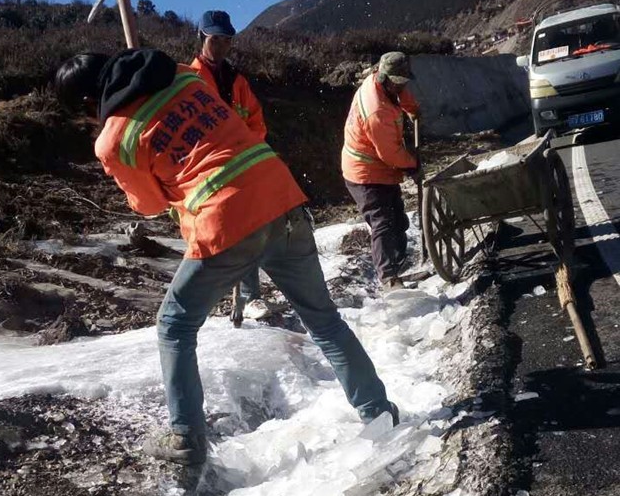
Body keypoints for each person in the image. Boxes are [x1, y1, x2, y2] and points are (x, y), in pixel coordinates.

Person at [54, 48, 397, 465]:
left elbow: (147, 204)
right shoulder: (183, 76)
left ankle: (185, 437)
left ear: (89, 102)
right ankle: (379, 413)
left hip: (225, 220)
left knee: (174, 325)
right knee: (324, 320)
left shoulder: (113, 140)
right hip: (281, 197)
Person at [191, 9, 269, 317]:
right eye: (215, 40)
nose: (222, 46)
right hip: (206, 170)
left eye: (226, 40)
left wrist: (244, 148)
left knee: (245, 230)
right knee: (212, 233)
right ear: (202, 38)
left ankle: (250, 297)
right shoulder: (190, 80)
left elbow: (256, 121)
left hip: (240, 165)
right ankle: (206, 296)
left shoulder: (238, 81)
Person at [342, 52, 421, 291]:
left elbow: (401, 94)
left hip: (380, 168)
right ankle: (388, 278)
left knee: (398, 220)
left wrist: (413, 109)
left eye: (404, 81)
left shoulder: (384, 83)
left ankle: (398, 267)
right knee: (383, 223)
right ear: (385, 78)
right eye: (398, 82)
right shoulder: (376, 110)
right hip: (364, 172)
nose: (401, 86)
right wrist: (413, 165)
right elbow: (390, 153)